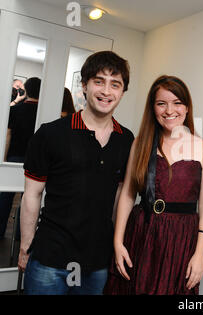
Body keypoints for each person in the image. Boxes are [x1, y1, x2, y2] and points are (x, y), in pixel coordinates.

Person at [18, 51, 134, 295]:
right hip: (50, 258)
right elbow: (32, 194)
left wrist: (116, 243)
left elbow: (121, 197)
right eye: (99, 81)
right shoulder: (51, 134)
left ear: (122, 92)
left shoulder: (127, 140)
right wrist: (25, 247)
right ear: (84, 85)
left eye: (115, 84)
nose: (106, 91)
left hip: (97, 263)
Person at [103, 75, 203, 295]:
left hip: (180, 239)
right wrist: (118, 242)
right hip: (141, 232)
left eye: (177, 103)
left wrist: (200, 254)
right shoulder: (141, 143)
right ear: (153, 108)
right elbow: (127, 195)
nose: (169, 110)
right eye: (161, 103)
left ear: (186, 107)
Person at [0, 77, 41, 240]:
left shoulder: (16, 110)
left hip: (14, 156)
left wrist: (4, 159)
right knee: (29, 199)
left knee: (5, 198)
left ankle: (0, 230)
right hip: (35, 160)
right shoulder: (44, 112)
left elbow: (8, 135)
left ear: (27, 91)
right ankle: (20, 235)